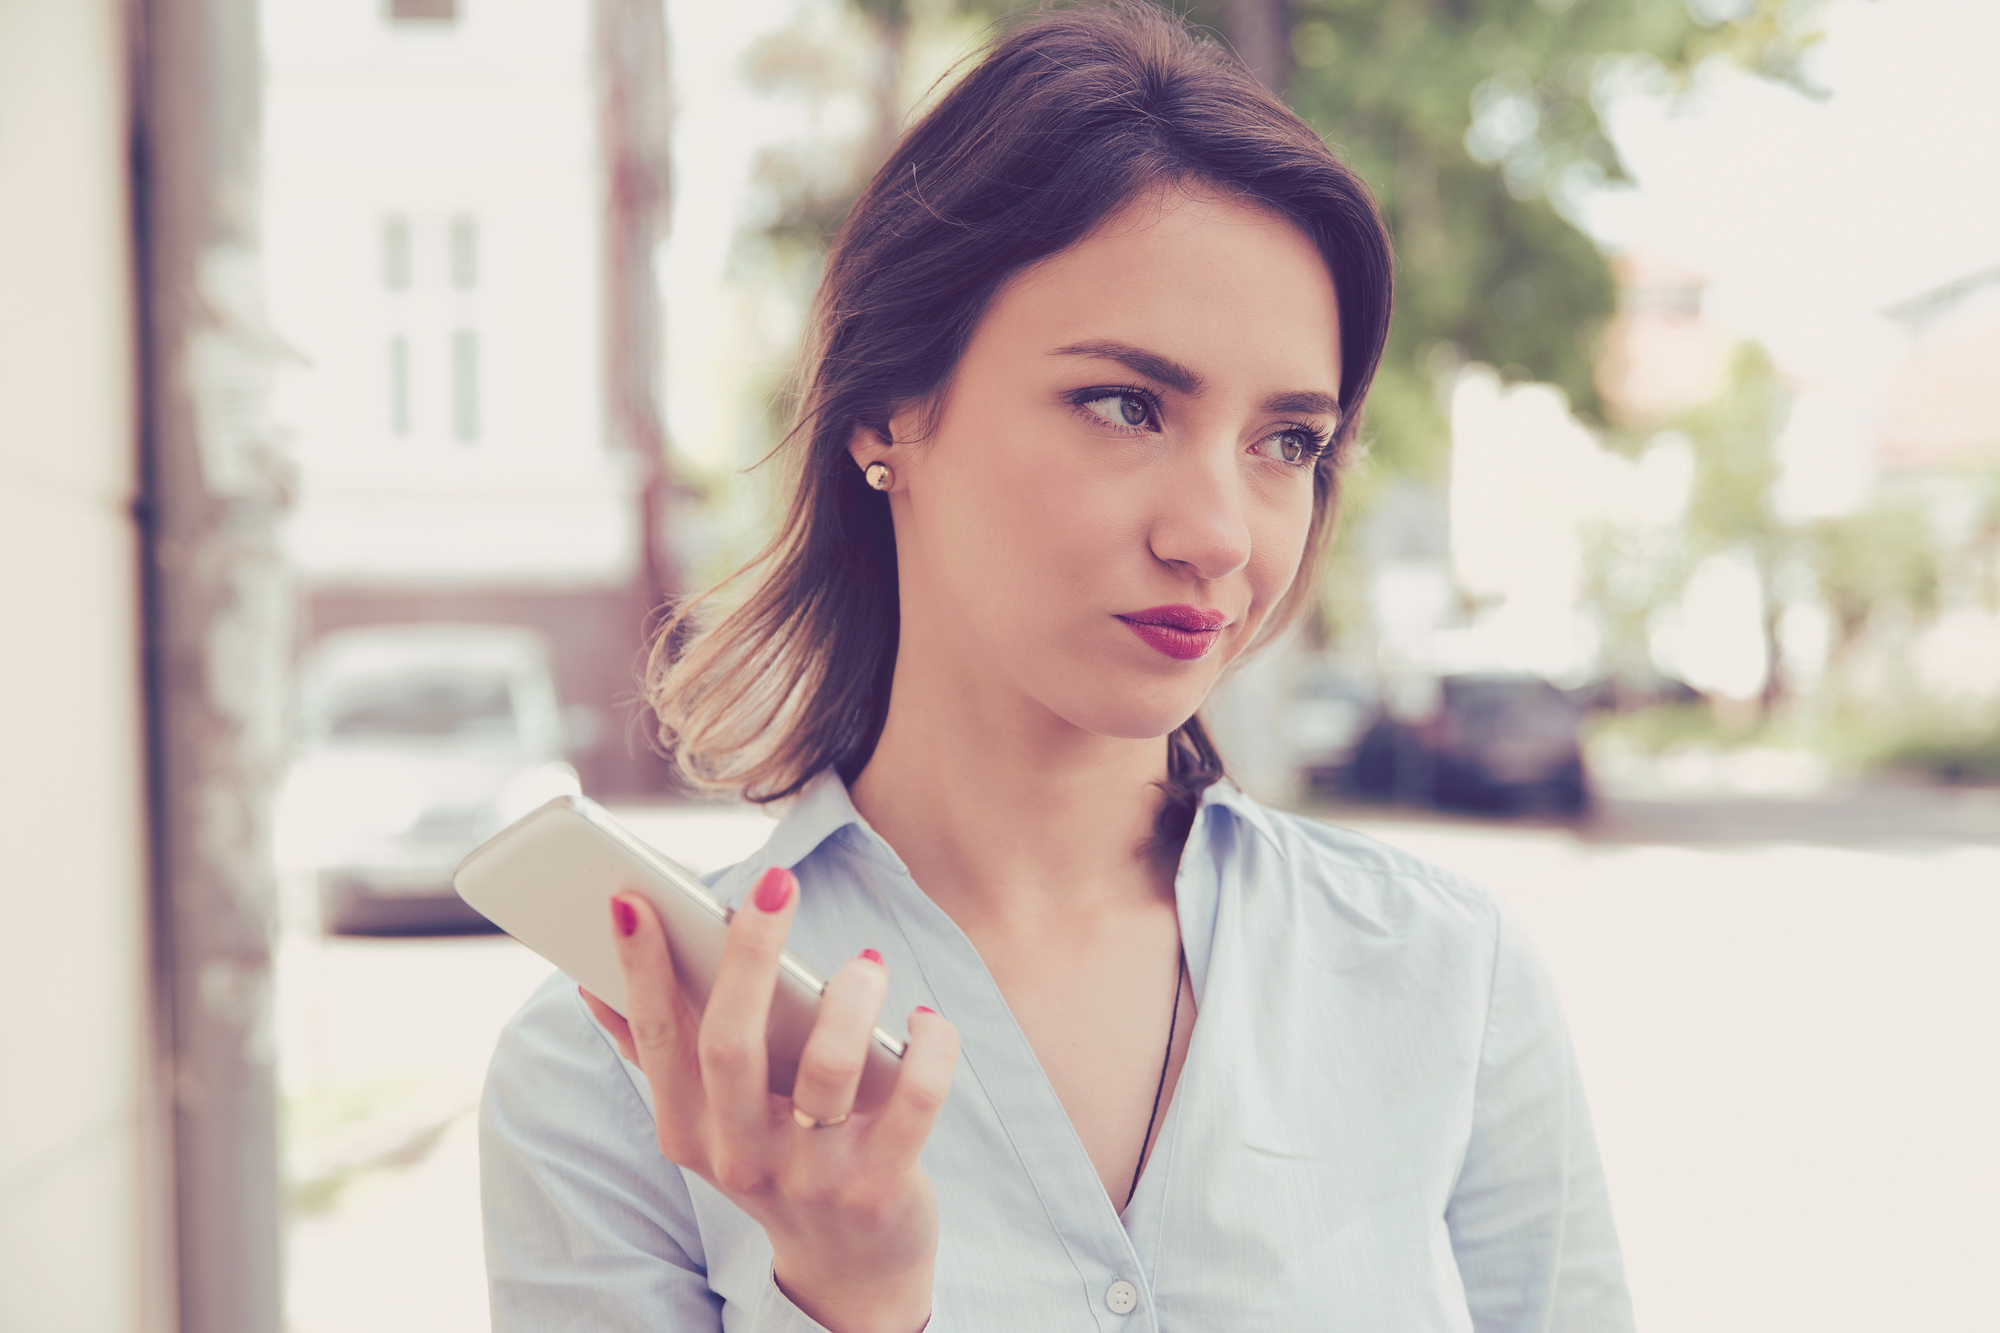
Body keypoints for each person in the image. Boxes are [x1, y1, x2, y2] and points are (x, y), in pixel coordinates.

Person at [479, 5, 1632, 1330]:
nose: (1217, 534)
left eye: (1287, 442)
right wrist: (849, 1303)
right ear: (888, 412)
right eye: (1126, 404)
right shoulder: (621, 1074)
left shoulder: (1447, 979)